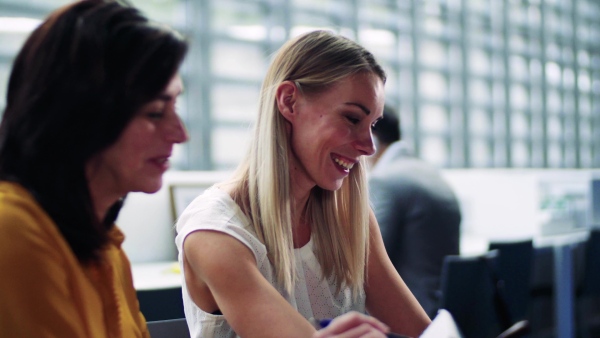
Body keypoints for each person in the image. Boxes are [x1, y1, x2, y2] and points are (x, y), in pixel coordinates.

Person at [175, 30, 431, 338]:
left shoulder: (349, 219)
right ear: (289, 101)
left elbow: (422, 334)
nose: (369, 147)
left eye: (372, 125)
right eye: (352, 119)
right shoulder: (216, 231)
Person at [0, 0, 188, 336]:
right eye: (155, 112)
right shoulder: (12, 232)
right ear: (83, 114)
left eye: (176, 106)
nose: (180, 134)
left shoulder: (104, 247)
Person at [368, 106, 461, 319]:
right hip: (444, 309)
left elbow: (369, 262)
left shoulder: (385, 180)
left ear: (373, 140)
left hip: (411, 312)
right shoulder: (429, 173)